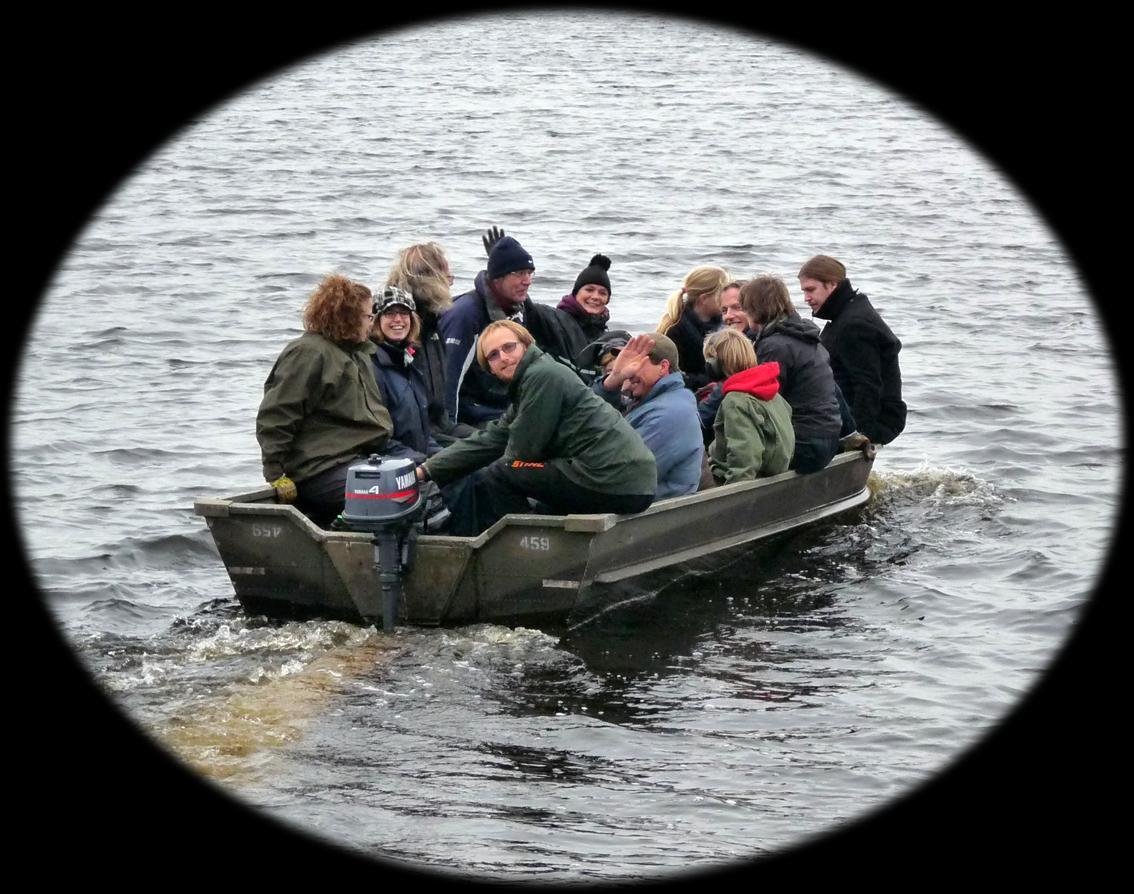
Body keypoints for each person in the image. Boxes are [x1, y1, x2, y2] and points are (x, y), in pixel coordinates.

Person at [416, 321, 656, 535]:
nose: (504, 358)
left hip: (610, 478)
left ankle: (520, 548)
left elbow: (521, 453)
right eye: (493, 356)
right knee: (520, 473)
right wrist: (427, 470)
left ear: (526, 345)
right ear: (489, 368)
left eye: (509, 347)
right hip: (627, 482)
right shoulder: (532, 380)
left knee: (500, 472)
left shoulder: (541, 376)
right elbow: (491, 439)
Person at [256, 274, 393, 528]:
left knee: (422, 481)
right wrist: (275, 474)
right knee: (391, 496)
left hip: (361, 457)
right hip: (320, 469)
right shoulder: (309, 353)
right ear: (348, 317)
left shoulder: (358, 354)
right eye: (368, 316)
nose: (371, 323)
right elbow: (277, 415)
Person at [438, 235, 578, 427]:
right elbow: (450, 380)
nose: (527, 281)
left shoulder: (516, 309)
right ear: (498, 277)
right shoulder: (465, 315)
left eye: (530, 273)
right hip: (476, 416)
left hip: (508, 408)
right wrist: (450, 432)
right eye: (520, 273)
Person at [740, 275, 843, 473]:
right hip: (828, 439)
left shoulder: (774, 347)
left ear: (754, 310)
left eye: (745, 309)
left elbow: (763, 403)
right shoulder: (806, 336)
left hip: (804, 446)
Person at [799, 255, 907, 445]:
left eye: (810, 290)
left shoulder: (853, 324)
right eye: (804, 291)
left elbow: (868, 384)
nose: (806, 298)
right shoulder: (845, 312)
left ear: (832, 284)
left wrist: (858, 436)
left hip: (874, 422)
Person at [384, 241, 475, 446]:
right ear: (432, 281)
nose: (450, 286)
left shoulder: (433, 326)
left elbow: (440, 416)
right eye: (448, 279)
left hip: (439, 429)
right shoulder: (402, 335)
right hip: (416, 441)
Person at [593, 333, 703, 500]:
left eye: (636, 363)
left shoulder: (670, 414)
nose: (628, 371)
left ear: (663, 367)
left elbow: (623, 473)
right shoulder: (645, 402)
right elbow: (582, 418)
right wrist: (611, 382)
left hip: (652, 516)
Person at [703, 328, 795, 485]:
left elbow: (744, 458)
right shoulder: (771, 391)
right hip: (773, 472)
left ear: (715, 365)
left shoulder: (735, 400)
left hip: (734, 478)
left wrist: (730, 496)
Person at [655, 265, 730, 391]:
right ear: (704, 298)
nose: (726, 299)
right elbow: (671, 374)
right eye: (722, 294)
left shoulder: (724, 325)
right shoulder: (676, 329)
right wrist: (712, 381)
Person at [555, 252, 614, 373]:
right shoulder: (554, 320)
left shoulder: (603, 334)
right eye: (589, 290)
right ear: (576, 293)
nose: (595, 297)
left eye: (602, 293)